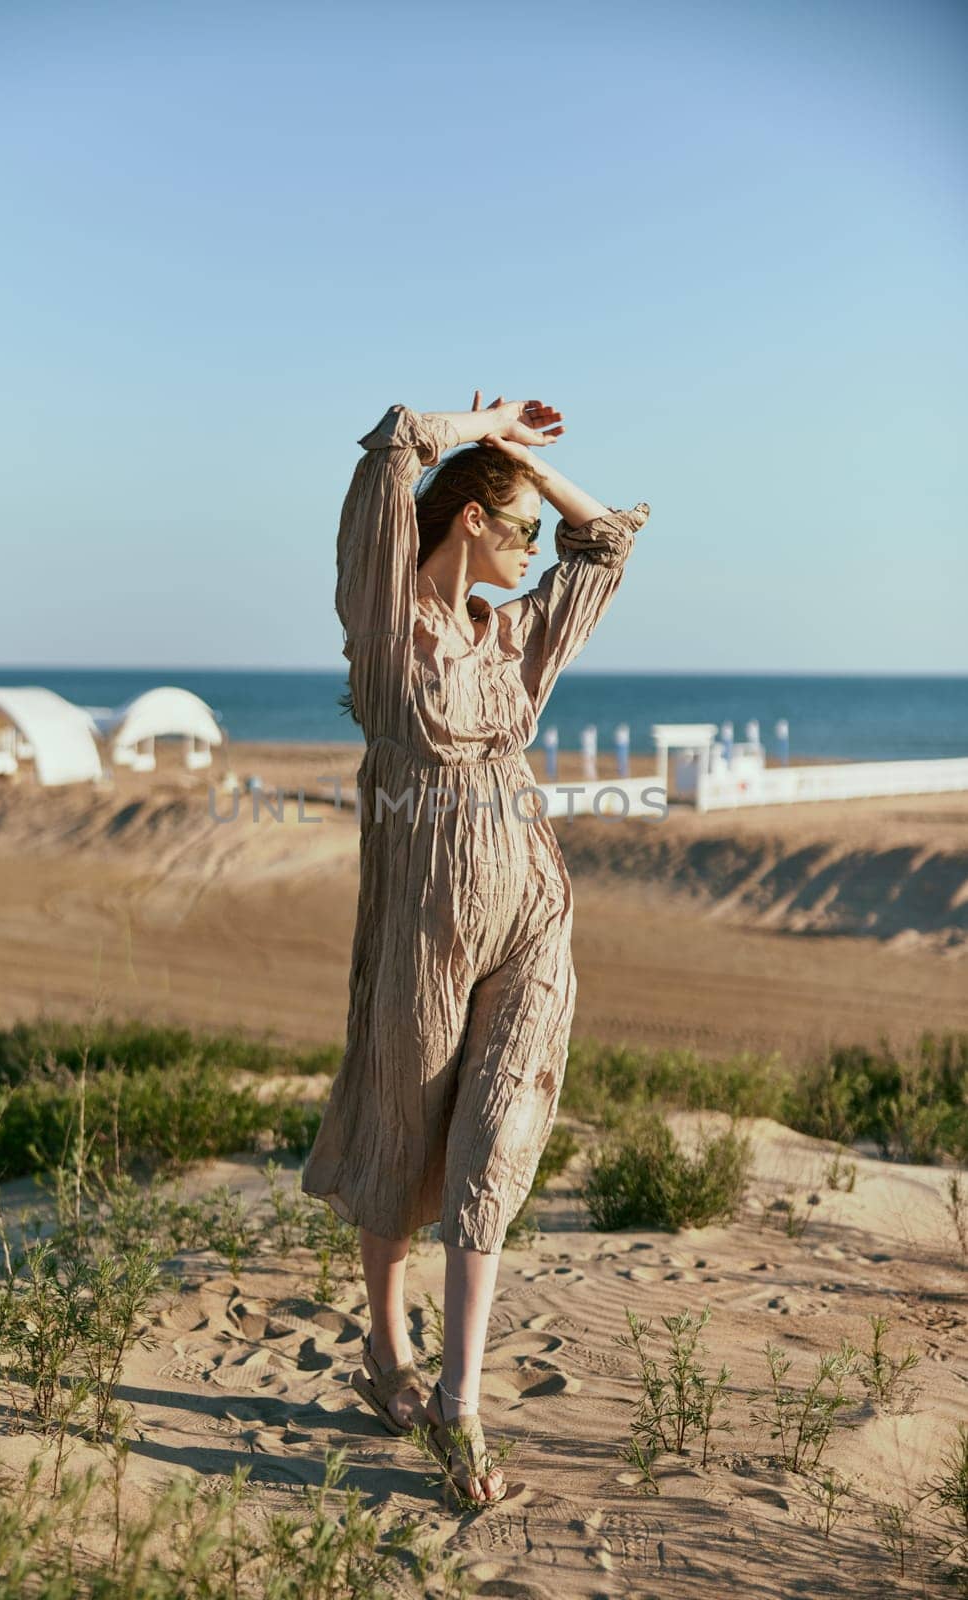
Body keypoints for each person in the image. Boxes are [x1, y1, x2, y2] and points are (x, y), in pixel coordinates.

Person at [302, 390, 649, 1502]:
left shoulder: (515, 629)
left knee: (495, 1135)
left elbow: (604, 542)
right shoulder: (383, 616)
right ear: (465, 527)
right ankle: (386, 1354)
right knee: (402, 1121)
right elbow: (392, 453)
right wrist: (471, 425)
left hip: (531, 899)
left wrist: (527, 467)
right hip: (421, 913)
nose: (534, 546)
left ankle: (459, 1402)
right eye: (516, 529)